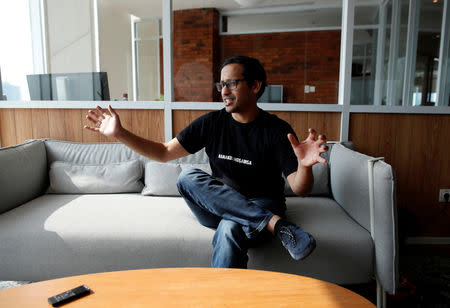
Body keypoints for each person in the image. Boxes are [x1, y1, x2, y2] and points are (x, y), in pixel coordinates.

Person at [84, 56, 328, 268]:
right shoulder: (212, 123)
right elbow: (163, 152)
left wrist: (304, 166)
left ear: (255, 86)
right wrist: (120, 134)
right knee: (187, 177)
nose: (223, 91)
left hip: (262, 202)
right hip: (217, 206)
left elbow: (300, 188)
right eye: (221, 84)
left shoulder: (276, 129)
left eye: (231, 83)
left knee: (230, 227)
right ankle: (278, 226)